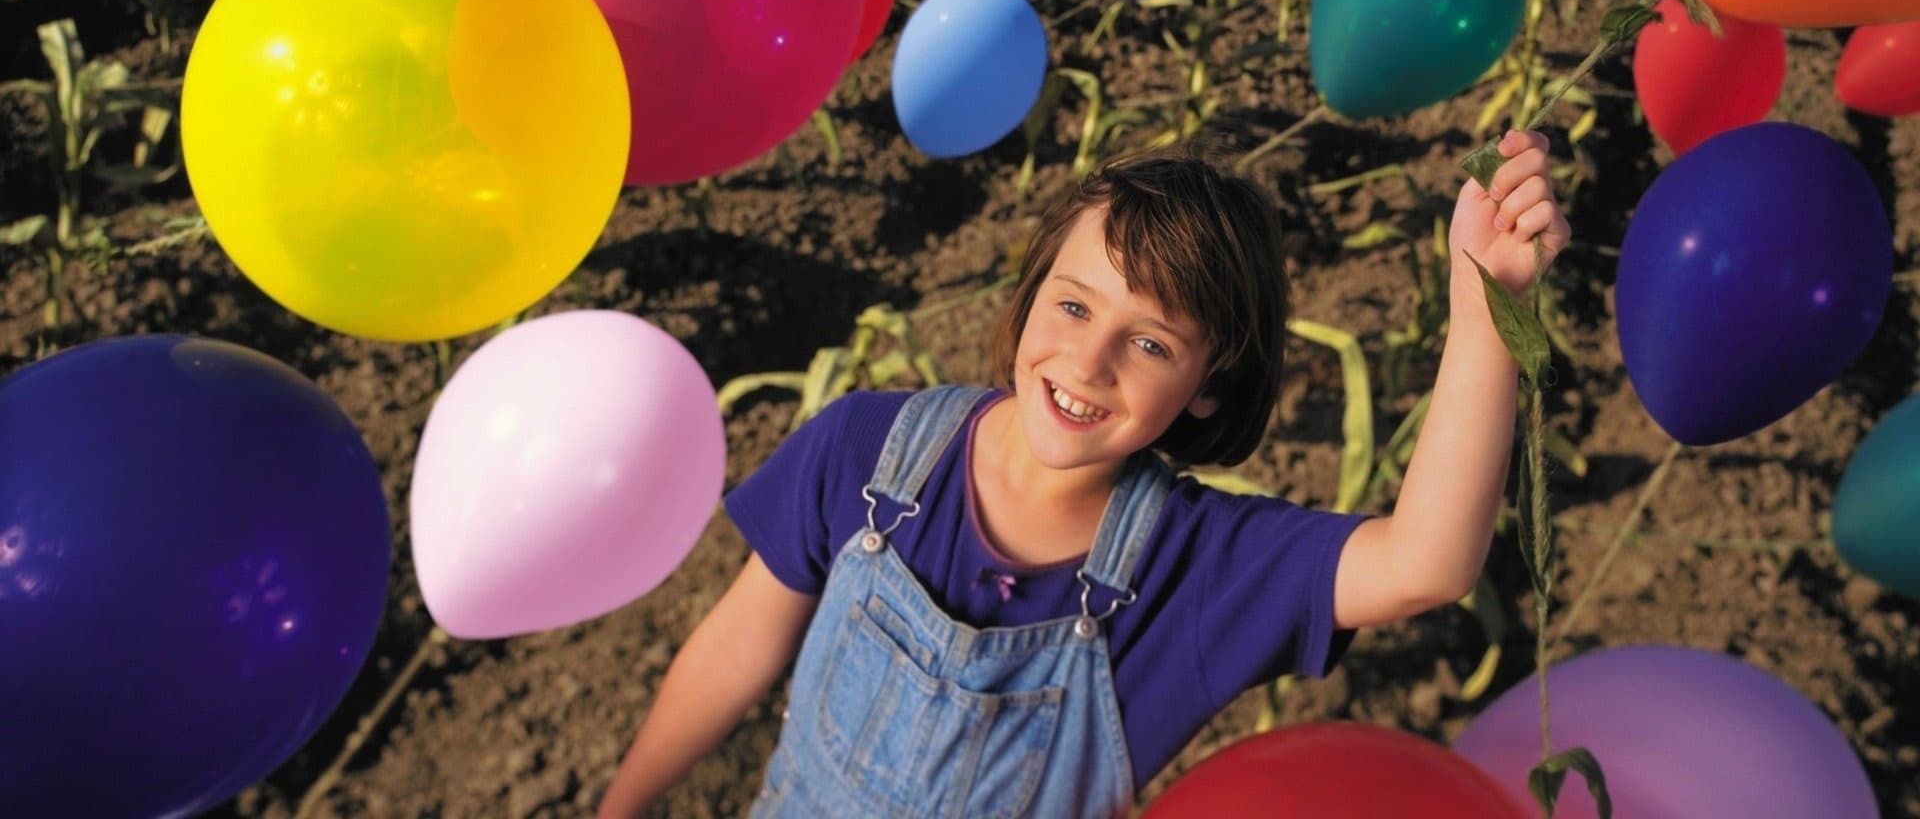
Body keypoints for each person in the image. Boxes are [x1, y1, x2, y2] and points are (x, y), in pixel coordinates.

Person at [597, 130, 1571, 818]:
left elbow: (1429, 562)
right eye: (1072, 308)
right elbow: (735, 652)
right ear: (1029, 300)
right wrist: (623, 808)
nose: (1090, 362)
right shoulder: (864, 453)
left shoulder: (1197, 572)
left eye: (1150, 342)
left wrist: (1485, 307)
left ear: (1204, 382)